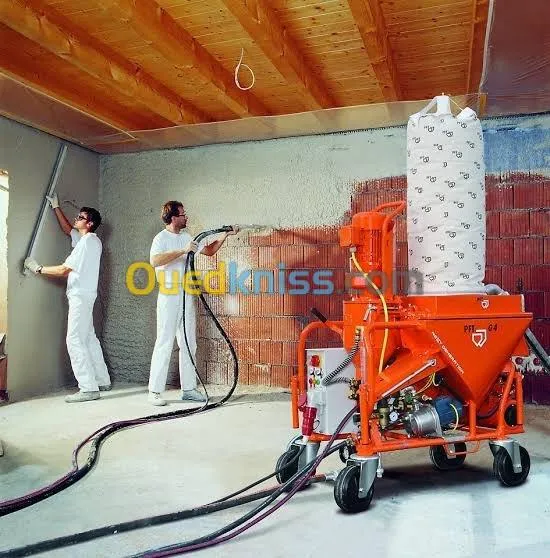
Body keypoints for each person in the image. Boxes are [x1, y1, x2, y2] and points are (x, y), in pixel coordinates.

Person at [147, 201, 237, 406]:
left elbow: (209, 251)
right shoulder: (161, 238)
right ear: (173, 217)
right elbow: (155, 261)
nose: (186, 217)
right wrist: (182, 251)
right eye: (182, 214)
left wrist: (225, 235)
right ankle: (155, 391)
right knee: (164, 342)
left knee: (189, 342)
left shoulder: (187, 237)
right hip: (169, 295)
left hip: (186, 293)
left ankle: (188, 389)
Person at [24, 194, 110, 402]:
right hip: (86, 295)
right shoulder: (90, 240)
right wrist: (56, 207)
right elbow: (68, 230)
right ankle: (102, 380)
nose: (76, 219)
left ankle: (88, 388)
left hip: (80, 296)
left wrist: (38, 268)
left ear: (89, 224)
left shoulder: (87, 242)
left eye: (80, 217)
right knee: (88, 337)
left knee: (74, 339)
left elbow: (64, 269)